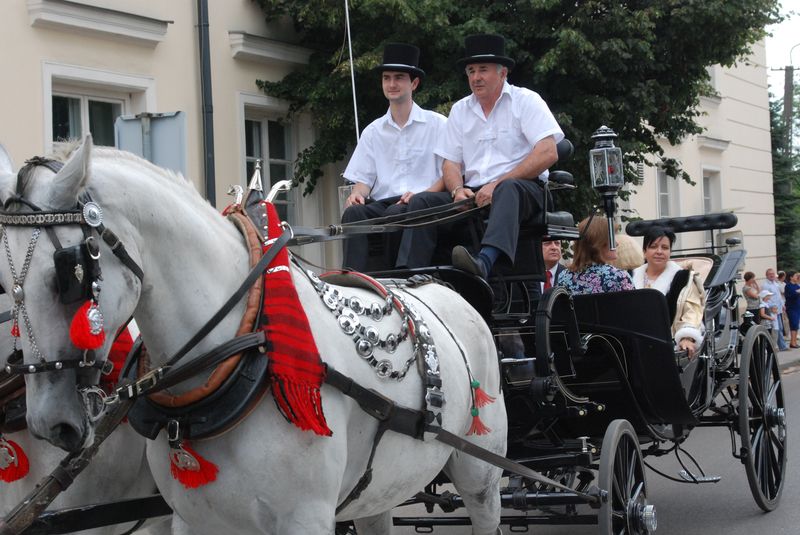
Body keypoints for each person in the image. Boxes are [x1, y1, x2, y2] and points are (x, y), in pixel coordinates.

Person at [394, 34, 564, 276]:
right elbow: (450, 163)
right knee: (423, 202)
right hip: (474, 194)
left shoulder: (526, 100)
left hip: (523, 190)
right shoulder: (460, 110)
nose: (475, 77)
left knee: (508, 189)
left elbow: (548, 152)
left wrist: (497, 183)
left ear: (503, 73)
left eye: (483, 70)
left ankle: (484, 261)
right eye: (471, 71)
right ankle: (410, 276)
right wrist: (457, 190)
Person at [341, 43, 447, 271]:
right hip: (384, 203)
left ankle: (397, 276)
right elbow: (363, 181)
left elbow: (450, 174)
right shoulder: (372, 131)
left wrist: (424, 194)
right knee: (353, 213)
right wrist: (357, 195)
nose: (391, 84)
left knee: (396, 212)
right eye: (386, 78)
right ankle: (351, 276)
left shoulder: (438, 124)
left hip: (423, 204)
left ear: (414, 83)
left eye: (399, 77)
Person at [631, 226, 705, 358]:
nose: (659, 251)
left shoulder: (684, 278)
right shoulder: (630, 276)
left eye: (665, 247)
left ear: (670, 252)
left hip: (668, 344)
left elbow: (692, 311)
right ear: (644, 251)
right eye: (653, 247)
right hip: (634, 344)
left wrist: (686, 337)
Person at [556, 216, 634, 294]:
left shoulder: (564, 276)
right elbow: (634, 301)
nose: (616, 244)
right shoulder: (618, 277)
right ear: (600, 242)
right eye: (612, 239)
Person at [762, 268, 789, 350]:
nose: (772, 275)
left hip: (778, 308)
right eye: (770, 274)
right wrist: (771, 307)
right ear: (766, 275)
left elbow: (779, 295)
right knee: (777, 328)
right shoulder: (765, 285)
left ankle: (780, 346)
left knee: (780, 327)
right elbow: (765, 297)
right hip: (772, 309)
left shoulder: (775, 283)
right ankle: (781, 346)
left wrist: (782, 305)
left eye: (773, 274)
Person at [784, 271, 800, 348]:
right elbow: (789, 296)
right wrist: (797, 292)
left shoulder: (796, 285)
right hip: (791, 308)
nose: (797, 277)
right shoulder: (788, 286)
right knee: (793, 324)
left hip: (797, 307)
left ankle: (794, 342)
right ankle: (792, 343)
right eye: (795, 276)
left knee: (796, 325)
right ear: (791, 277)